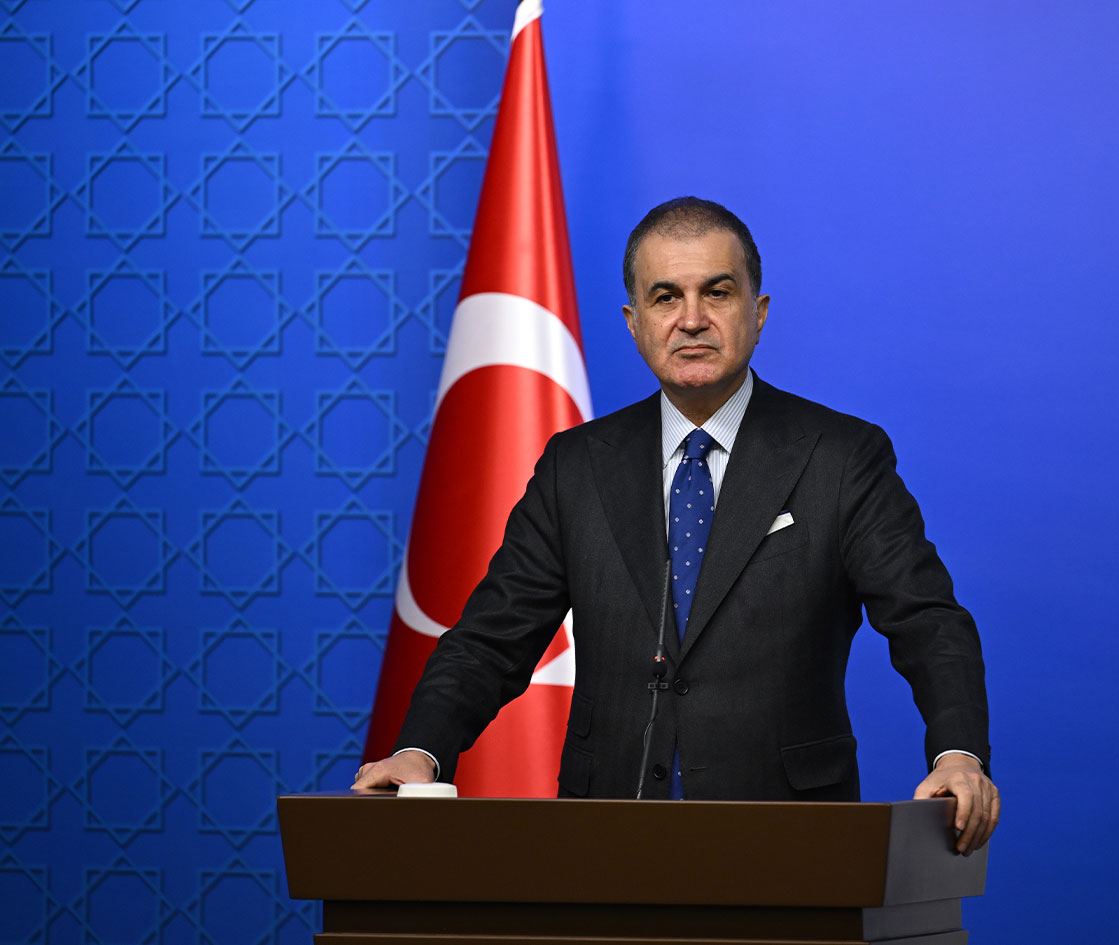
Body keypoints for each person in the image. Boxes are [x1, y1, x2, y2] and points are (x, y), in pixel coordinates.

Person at [355, 197, 999, 854]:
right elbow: (492, 639)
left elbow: (928, 622)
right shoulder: (577, 466)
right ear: (634, 323)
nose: (692, 318)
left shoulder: (841, 457)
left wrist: (958, 755)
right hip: (607, 838)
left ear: (758, 311)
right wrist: (420, 750)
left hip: (791, 842)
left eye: (717, 292)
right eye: (666, 297)